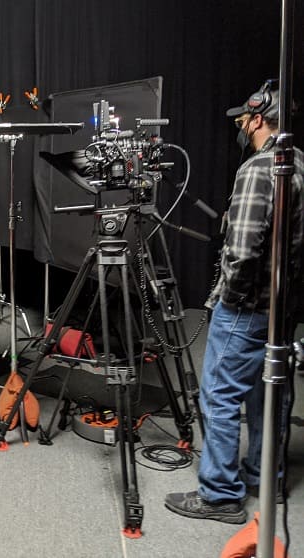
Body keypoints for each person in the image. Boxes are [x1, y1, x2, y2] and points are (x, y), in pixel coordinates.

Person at [165, 83, 304, 523]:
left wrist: (230, 298)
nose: (241, 127)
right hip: (283, 308)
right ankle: (267, 477)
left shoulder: (257, 170)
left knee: (221, 396)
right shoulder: (299, 164)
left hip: (247, 308)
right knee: (271, 391)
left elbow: (242, 251)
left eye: (244, 119)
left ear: (259, 118)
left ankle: (221, 495)